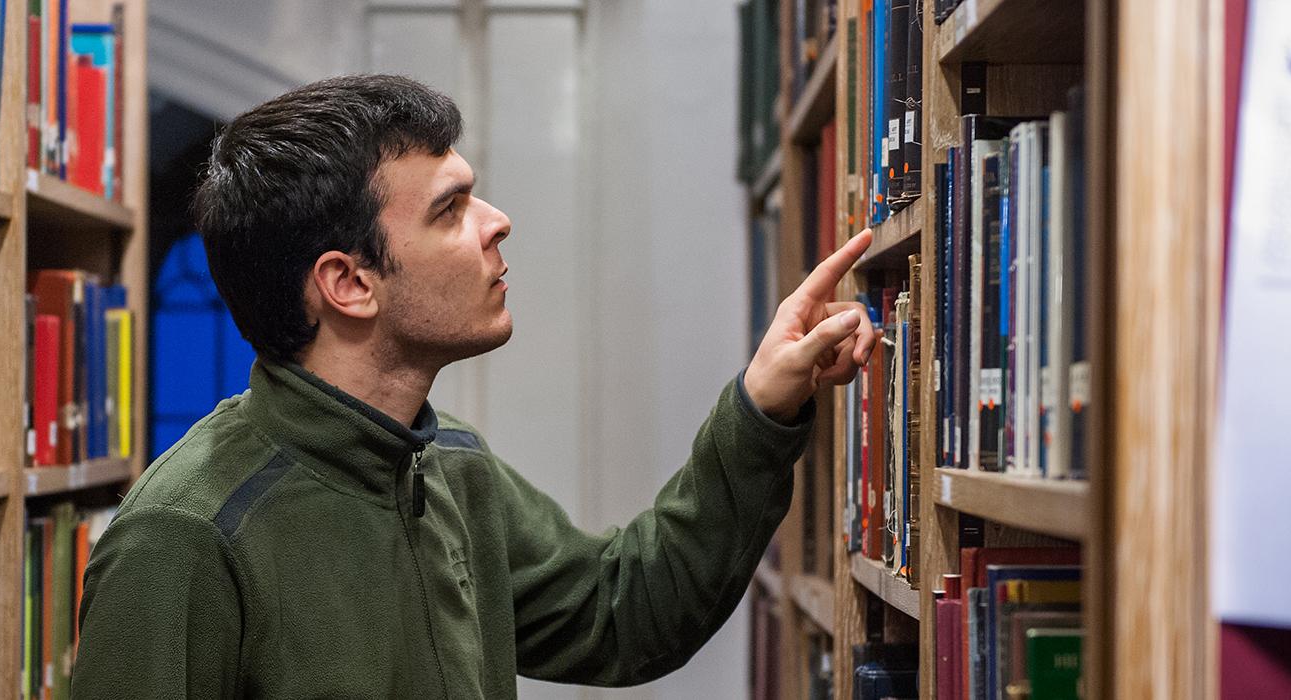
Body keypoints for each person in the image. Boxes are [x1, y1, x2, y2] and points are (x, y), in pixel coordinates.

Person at [73, 74, 877, 698]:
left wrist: (763, 406)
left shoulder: (448, 463)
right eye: (451, 208)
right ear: (348, 283)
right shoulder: (181, 539)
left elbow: (622, 613)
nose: (496, 221)